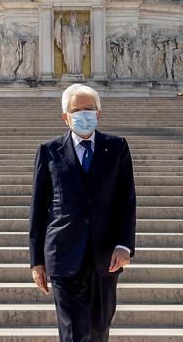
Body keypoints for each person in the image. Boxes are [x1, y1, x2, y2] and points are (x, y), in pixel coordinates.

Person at [29, 83, 136, 342]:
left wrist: (124, 245)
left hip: (105, 255)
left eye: (89, 109)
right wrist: (36, 261)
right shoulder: (49, 151)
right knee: (74, 332)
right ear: (65, 116)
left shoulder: (117, 147)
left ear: (98, 114)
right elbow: (39, 208)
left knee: (99, 328)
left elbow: (126, 200)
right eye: (77, 110)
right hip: (63, 255)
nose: (84, 114)